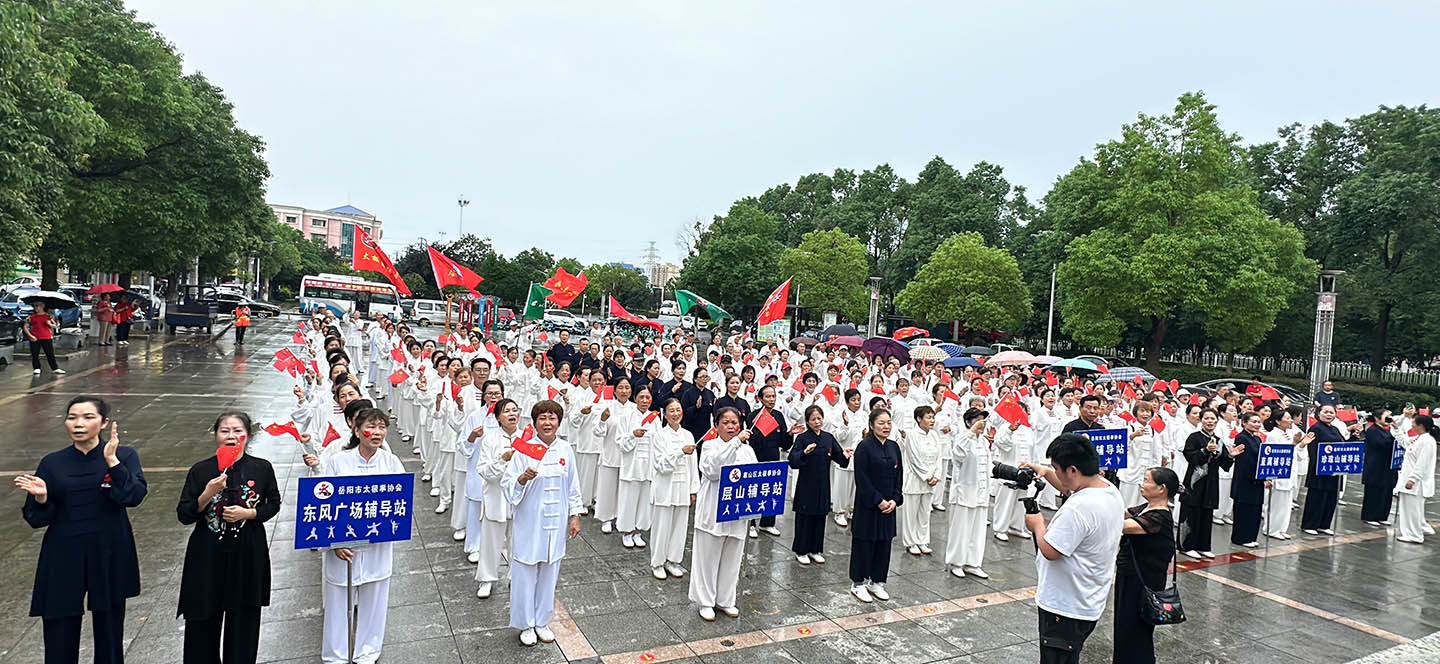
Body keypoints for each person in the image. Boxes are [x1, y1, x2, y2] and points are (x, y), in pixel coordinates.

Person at [15, 396, 146, 664]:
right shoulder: (52, 463)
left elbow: (132, 496)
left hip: (109, 549)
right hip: (63, 552)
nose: (78, 424)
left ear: (104, 422)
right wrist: (42, 497)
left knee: (109, 627)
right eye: (72, 417)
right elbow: (37, 518)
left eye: (88, 417)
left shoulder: (125, 455)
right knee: (59, 626)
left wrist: (113, 463)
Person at [176, 410, 281, 664]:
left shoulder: (261, 468)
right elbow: (184, 514)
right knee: (202, 620)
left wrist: (249, 512)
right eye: (225, 431)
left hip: (247, 553)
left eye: (237, 431)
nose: (231, 436)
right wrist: (207, 493)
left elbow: (273, 503)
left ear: (247, 435)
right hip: (207, 555)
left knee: (244, 620)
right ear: (216, 436)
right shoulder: (201, 470)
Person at [1020, 434, 1125, 664]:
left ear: (1073, 470)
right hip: (1089, 598)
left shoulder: (1078, 508)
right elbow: (1073, 488)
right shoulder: (1108, 490)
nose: (1056, 474)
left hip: (1065, 607)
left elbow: (1051, 550)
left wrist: (1037, 524)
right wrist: (1046, 472)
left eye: (1057, 469)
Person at [320, 408, 405, 664]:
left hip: (377, 547)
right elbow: (322, 505)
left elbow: (400, 505)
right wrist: (333, 542)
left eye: (381, 427)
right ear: (357, 431)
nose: (377, 432)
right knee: (337, 604)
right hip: (342, 547)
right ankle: (336, 655)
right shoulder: (338, 462)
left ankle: (367, 653)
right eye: (370, 426)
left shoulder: (391, 463)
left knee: (375, 601)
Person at [502, 399, 584, 646]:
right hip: (530, 521)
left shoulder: (565, 449)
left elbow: (573, 485)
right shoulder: (524, 449)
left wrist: (575, 515)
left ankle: (542, 621)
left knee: (550, 572)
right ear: (535, 422)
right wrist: (522, 479)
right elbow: (507, 485)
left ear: (558, 422)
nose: (547, 423)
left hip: (556, 523)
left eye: (552, 418)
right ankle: (525, 624)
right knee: (525, 572)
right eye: (542, 418)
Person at [689, 407, 758, 621]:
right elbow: (713, 471)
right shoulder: (710, 446)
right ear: (716, 425)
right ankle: (706, 601)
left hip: (736, 513)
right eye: (725, 422)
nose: (730, 426)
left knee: (732, 558)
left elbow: (754, 478)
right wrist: (735, 442)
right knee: (707, 559)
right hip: (713, 511)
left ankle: (726, 599)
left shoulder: (747, 450)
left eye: (734, 422)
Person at [1112, 467, 1179, 664]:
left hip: (1143, 582)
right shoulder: (1145, 508)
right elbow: (1120, 512)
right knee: (1124, 625)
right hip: (1129, 576)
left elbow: (1122, 525)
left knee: (1135, 628)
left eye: (1147, 480)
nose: (1143, 484)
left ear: (1162, 488)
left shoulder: (1159, 517)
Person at [849, 408, 903, 603]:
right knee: (864, 542)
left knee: (884, 543)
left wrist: (895, 499)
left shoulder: (894, 447)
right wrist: (878, 501)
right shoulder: (864, 447)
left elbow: (899, 476)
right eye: (881, 423)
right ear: (871, 425)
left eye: (888, 422)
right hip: (869, 505)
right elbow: (862, 480)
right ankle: (858, 583)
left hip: (889, 504)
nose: (886, 426)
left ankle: (877, 581)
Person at [788, 405, 850, 564]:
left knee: (819, 518)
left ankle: (815, 549)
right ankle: (801, 550)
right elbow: (792, 460)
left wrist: (845, 455)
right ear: (807, 422)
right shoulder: (802, 438)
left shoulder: (828, 437)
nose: (817, 422)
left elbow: (839, 458)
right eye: (813, 419)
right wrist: (804, 453)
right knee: (805, 518)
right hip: (806, 484)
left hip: (823, 484)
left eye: (819, 418)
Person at [649, 398, 698, 579]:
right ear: (665, 414)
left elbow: (693, 464)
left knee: (679, 526)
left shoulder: (688, 435)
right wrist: (679, 452)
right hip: (665, 487)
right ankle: (657, 562)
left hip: (683, 486)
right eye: (672, 411)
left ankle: (673, 560)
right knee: (662, 526)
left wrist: (693, 489)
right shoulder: (659, 435)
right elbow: (660, 465)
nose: (676, 414)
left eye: (678, 410)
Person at [945, 407, 993, 578]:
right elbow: (958, 455)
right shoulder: (962, 437)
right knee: (961, 529)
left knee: (978, 529)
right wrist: (971, 432)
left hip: (981, 490)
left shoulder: (984, 441)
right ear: (968, 422)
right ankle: (956, 562)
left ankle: (973, 563)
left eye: (983, 419)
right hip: (965, 490)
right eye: (977, 419)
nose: (981, 422)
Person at [899, 405, 943, 556]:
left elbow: (939, 458)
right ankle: (911, 542)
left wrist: (937, 475)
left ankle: (923, 540)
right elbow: (914, 460)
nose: (932, 420)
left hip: (930, 481)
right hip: (915, 479)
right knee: (911, 513)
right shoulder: (912, 435)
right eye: (928, 417)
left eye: (933, 417)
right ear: (919, 419)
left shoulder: (935, 435)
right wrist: (928, 476)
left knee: (925, 512)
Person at [1302, 405, 1352, 535]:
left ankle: (1324, 524)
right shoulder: (1315, 428)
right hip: (1320, 468)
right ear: (1319, 414)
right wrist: (1318, 464)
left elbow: (1342, 444)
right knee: (1317, 498)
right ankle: (1310, 524)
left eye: (1332, 412)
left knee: (1330, 498)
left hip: (1334, 468)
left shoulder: (1335, 429)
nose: (1329, 415)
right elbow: (1312, 448)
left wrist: (1354, 437)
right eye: (1326, 412)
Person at [1395, 415, 1436, 544]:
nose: (1412, 425)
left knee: (1413, 510)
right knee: (1409, 509)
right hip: (1409, 479)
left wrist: (1412, 479)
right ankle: (1413, 531)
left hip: (1417, 484)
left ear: (1421, 426)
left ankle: (1414, 535)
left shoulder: (1427, 441)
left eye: (1414, 423)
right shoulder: (1419, 438)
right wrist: (1396, 429)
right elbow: (1405, 442)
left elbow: (1422, 464)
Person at [1229, 412, 1266, 547]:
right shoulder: (1241, 438)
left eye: (1258, 422)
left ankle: (1251, 537)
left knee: (1255, 510)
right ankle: (1241, 538)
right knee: (1243, 510)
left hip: (1257, 479)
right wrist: (1256, 476)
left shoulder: (1257, 439)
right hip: (1245, 478)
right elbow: (1246, 461)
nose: (1257, 424)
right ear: (1244, 423)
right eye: (1254, 422)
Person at [1361, 410, 1399, 526]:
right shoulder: (1372, 431)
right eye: (1386, 417)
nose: (1389, 419)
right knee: (1374, 492)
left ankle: (1382, 515)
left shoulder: (1387, 431)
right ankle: (1370, 516)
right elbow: (1382, 444)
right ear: (1377, 418)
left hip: (1388, 466)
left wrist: (1396, 429)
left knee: (1386, 492)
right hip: (1375, 466)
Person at [26, 300, 66, 375]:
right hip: (36, 337)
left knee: (50, 353)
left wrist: (50, 324)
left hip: (46, 337)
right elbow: (25, 326)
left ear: (43, 306)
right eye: (34, 306)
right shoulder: (31, 316)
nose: (36, 308)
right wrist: (30, 336)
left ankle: (55, 368)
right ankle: (36, 368)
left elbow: (55, 325)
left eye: (38, 306)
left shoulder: (48, 316)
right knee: (35, 353)